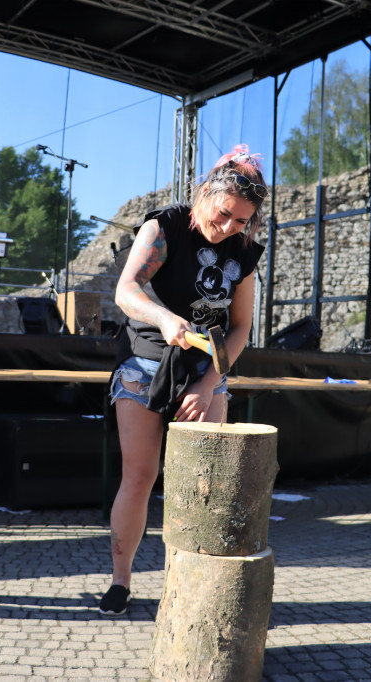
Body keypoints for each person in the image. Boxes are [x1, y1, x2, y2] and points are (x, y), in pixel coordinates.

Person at [99, 145, 268, 616]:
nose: (228, 227)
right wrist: (164, 318)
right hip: (145, 364)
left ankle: (193, 590)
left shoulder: (245, 251)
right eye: (223, 215)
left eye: (241, 221)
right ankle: (121, 581)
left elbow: (240, 329)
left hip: (205, 372)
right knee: (140, 476)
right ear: (204, 193)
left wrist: (208, 383)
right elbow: (126, 290)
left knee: (207, 484)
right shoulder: (165, 225)